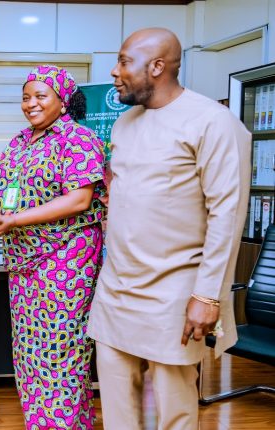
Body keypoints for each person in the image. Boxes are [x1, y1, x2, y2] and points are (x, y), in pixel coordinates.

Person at [87, 28, 251, 430]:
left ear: (157, 67)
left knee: (175, 410)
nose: (114, 72)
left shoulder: (212, 122)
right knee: (117, 407)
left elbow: (226, 214)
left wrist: (207, 295)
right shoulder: (125, 123)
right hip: (116, 289)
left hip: (174, 292)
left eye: (124, 62)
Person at [0, 65, 105, 429]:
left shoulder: (78, 139)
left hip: (65, 260)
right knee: (29, 352)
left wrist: (16, 220)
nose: (30, 103)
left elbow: (79, 199)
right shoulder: (18, 142)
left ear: (63, 102)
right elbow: (0, 193)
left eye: (40, 96)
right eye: (25, 97)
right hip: (23, 262)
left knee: (61, 352)